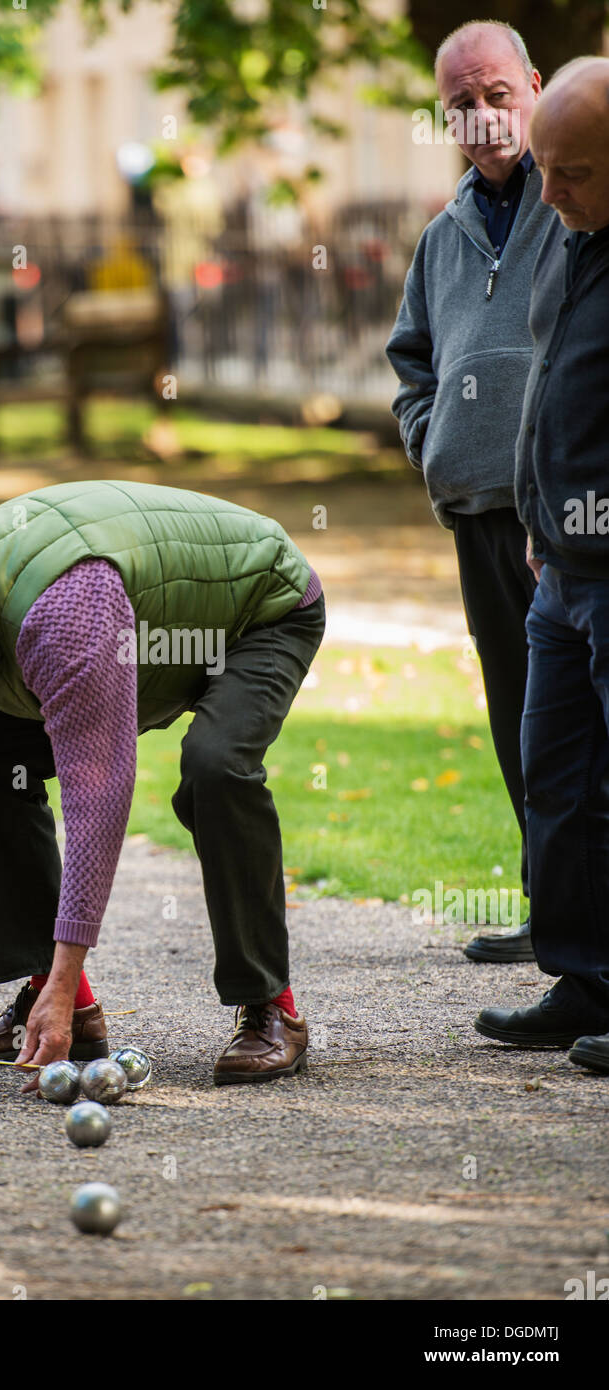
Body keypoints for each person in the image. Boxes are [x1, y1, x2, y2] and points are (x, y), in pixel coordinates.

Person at [0, 481, 324, 1086]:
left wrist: (73, 967)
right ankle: (53, 995)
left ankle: (272, 1008)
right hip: (144, 638)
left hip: (259, 614)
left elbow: (96, 799)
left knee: (215, 766)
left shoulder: (63, 614)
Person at [386, 20, 552, 965]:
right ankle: (550, 909)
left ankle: (585, 918)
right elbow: (410, 361)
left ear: (530, 86)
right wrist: (432, 443)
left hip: (563, 517)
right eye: (461, 104)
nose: (482, 118)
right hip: (478, 514)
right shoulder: (441, 237)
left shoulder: (574, 208)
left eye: (496, 95)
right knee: (517, 713)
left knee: (579, 717)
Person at [474, 57, 609, 1068]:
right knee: (553, 781)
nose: (548, 191)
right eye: (546, 169)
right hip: (555, 571)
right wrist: (532, 509)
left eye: (573, 173)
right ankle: (584, 978)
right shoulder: (569, 238)